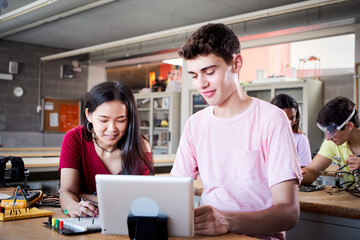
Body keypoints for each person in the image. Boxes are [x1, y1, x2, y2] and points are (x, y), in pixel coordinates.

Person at [170, 23, 302, 239]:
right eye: (194, 75)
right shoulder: (195, 124)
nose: (201, 84)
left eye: (209, 72)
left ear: (237, 63)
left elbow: (288, 214)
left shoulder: (272, 119)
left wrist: (226, 221)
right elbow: (174, 191)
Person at [59, 81, 153, 218]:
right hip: (87, 222)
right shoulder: (74, 138)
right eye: (103, 120)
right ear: (89, 115)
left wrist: (82, 195)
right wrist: (71, 207)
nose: (112, 129)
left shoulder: (140, 146)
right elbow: (66, 192)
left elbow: (139, 200)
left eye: (121, 120)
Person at [302, 96, 360, 185]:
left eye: (332, 131)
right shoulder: (333, 142)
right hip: (350, 198)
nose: (328, 138)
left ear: (349, 126)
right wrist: (293, 177)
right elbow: (312, 171)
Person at [271, 94, 312, 167]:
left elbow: (305, 169)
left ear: (296, 118)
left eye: (292, 118)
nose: (288, 122)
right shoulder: (265, 138)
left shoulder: (300, 139)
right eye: (284, 118)